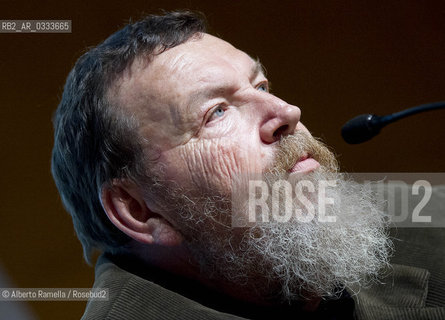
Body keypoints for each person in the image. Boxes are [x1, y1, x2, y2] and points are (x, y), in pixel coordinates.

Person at [51, 11, 444, 319]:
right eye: (217, 113)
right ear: (140, 210)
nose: (287, 112)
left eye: (260, 86)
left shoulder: (421, 221)